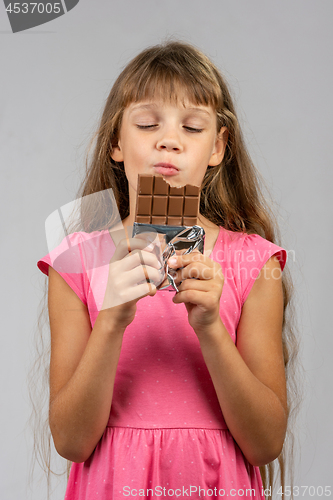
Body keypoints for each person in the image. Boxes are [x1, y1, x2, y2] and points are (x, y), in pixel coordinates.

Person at [36, 41, 299, 499]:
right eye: (146, 123)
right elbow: (72, 441)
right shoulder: (76, 262)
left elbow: (265, 443)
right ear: (116, 142)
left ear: (218, 148)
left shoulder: (253, 263)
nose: (169, 140)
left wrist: (212, 327)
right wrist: (112, 320)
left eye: (192, 127)